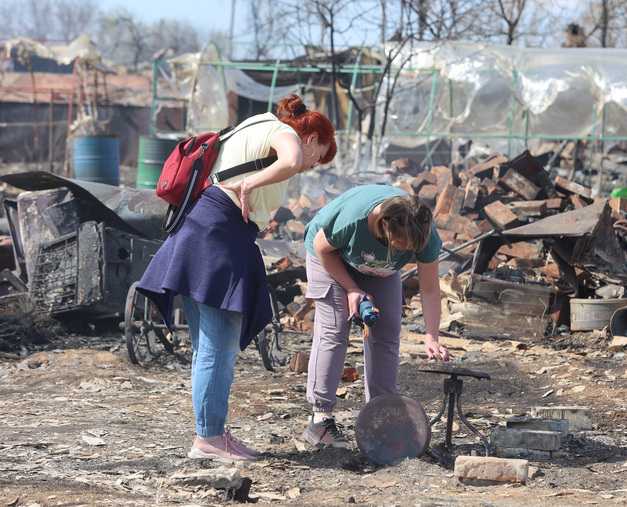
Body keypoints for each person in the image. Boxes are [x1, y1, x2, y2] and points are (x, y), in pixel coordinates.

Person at [136, 94, 337, 463]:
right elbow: (292, 160)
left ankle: (210, 431)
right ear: (311, 138)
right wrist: (251, 184)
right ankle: (209, 440)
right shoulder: (284, 134)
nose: (311, 166)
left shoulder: (249, 126)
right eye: (319, 155)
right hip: (219, 234)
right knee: (219, 347)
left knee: (208, 346)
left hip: (202, 227)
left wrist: (251, 182)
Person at [300, 184, 452, 448]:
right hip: (331, 257)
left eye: (411, 247)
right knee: (335, 331)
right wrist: (351, 288)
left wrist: (431, 337)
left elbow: (428, 288)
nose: (407, 249)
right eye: (401, 244)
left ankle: (380, 414)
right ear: (384, 225)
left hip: (378, 269)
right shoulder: (355, 219)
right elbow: (321, 247)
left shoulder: (423, 231)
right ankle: (320, 420)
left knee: (389, 330)